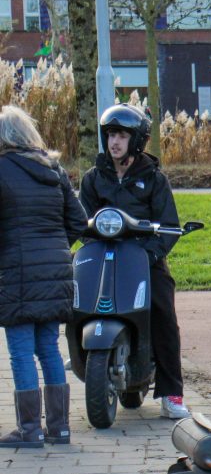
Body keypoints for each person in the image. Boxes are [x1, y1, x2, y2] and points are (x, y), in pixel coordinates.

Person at [79, 104, 189, 419]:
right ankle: (80, 352)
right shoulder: (94, 178)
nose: (115, 142)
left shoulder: (153, 178)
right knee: (75, 298)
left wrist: (150, 254)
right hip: (102, 256)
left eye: (122, 135)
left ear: (136, 139)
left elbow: (169, 225)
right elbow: (80, 219)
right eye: (111, 134)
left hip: (143, 257)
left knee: (164, 314)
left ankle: (171, 393)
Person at [0, 105, 88, 446]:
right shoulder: (54, 170)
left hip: (16, 272)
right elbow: (79, 222)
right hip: (57, 271)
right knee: (48, 348)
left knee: (21, 352)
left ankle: (29, 430)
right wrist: (55, 250)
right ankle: (60, 427)